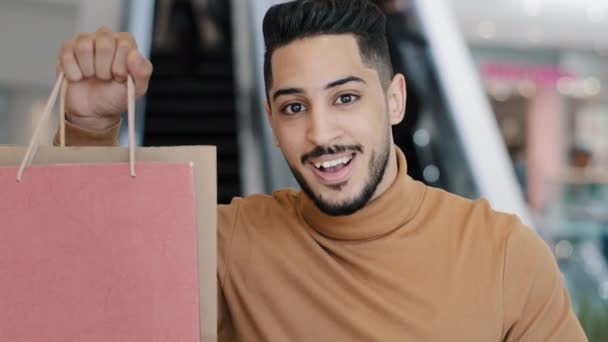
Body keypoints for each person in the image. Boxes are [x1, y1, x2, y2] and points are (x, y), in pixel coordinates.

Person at [54, 0, 586, 340]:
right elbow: (84, 290)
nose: (320, 133)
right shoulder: (231, 242)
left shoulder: (503, 254)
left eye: (346, 97)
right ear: (270, 118)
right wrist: (87, 129)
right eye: (293, 107)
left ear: (394, 99)